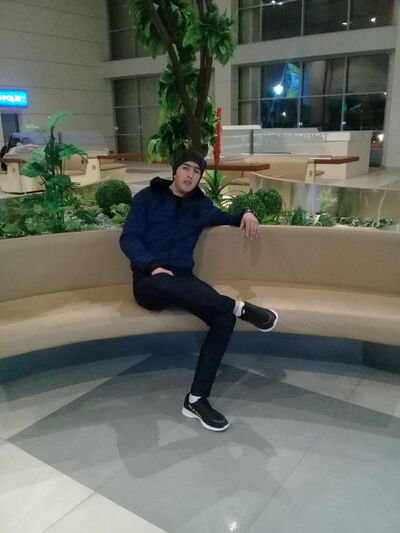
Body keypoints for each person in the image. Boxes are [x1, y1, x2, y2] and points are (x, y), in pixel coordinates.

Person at [120, 149, 278, 432]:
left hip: (183, 279)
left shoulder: (200, 205)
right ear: (175, 170)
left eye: (196, 171)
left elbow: (229, 217)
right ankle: (238, 307)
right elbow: (129, 238)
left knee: (223, 320)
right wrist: (153, 266)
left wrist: (248, 212)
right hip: (149, 280)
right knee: (164, 281)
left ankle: (196, 400)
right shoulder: (147, 198)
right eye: (186, 168)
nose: (190, 175)